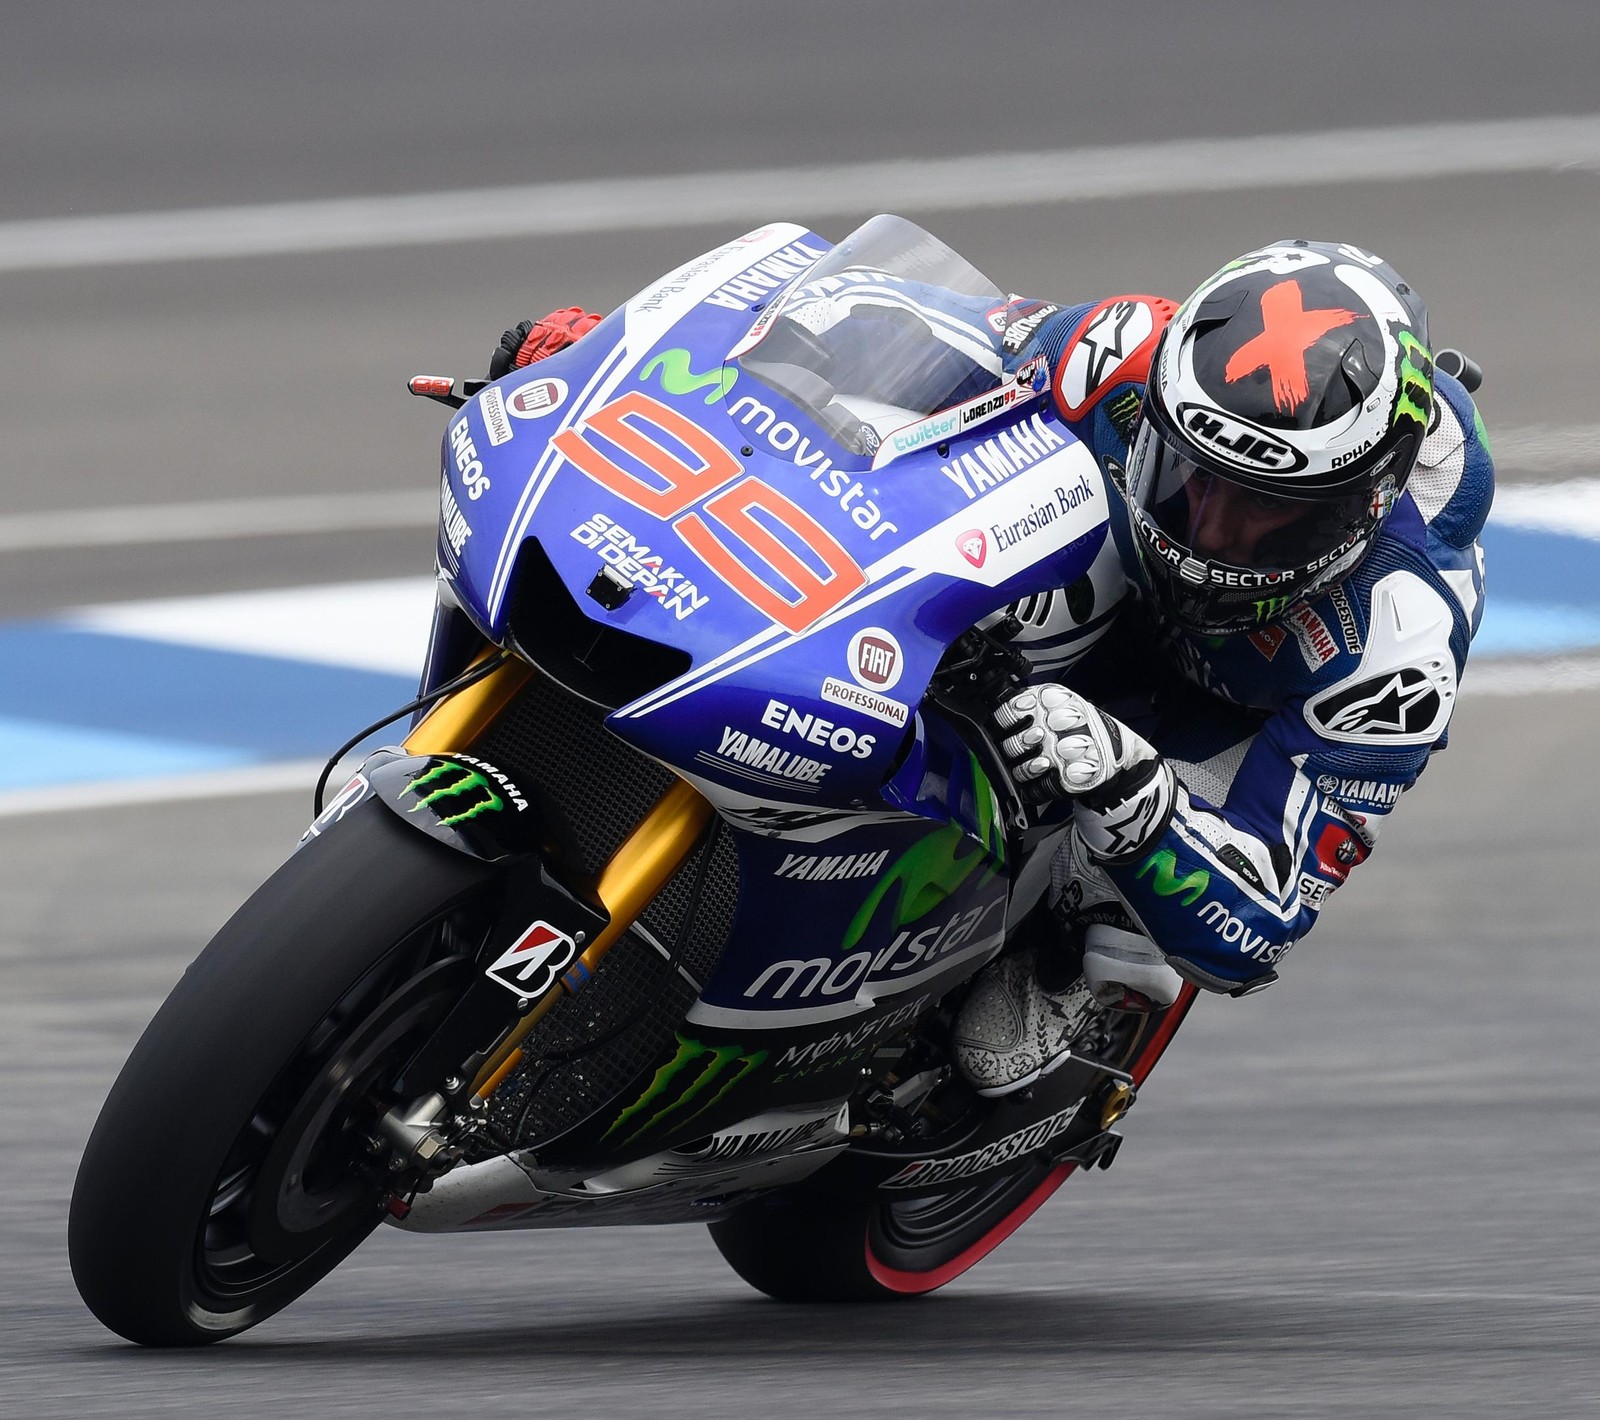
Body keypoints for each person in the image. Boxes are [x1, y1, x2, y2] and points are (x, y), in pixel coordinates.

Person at [490, 233, 1494, 1098]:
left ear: (1361, 501)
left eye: (1266, 512)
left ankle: (1087, 966)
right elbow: (887, 326)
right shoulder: (1122, 356)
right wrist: (617, 350)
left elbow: (1260, 924)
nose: (1214, 530)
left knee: (1010, 1034)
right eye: (1193, 480)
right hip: (1103, 590)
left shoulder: (1398, 643)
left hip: (1214, 718)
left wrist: (1129, 785)